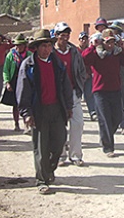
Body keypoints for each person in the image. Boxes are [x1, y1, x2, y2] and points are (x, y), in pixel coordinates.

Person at [16, 29, 73, 194]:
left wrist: (68, 107)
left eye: (49, 45)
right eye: (43, 46)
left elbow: (66, 87)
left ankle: (49, 169)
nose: (46, 49)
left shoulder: (57, 64)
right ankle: (41, 179)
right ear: (36, 48)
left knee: (59, 142)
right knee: (41, 146)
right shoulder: (28, 65)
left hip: (57, 109)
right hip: (39, 110)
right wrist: (26, 113)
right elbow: (23, 91)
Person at [82, 28, 124, 157]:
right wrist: (92, 46)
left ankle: (106, 136)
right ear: (102, 42)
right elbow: (84, 59)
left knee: (117, 117)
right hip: (100, 91)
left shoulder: (117, 53)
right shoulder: (96, 53)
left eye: (112, 42)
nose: (110, 45)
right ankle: (108, 147)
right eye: (107, 42)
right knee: (105, 118)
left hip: (115, 89)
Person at [54, 22, 87, 167]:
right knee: (59, 126)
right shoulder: (51, 53)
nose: (65, 38)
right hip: (56, 95)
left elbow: (81, 70)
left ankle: (75, 155)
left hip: (73, 92)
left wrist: (80, 84)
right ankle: (60, 155)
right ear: (56, 36)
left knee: (78, 123)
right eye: (62, 35)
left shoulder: (74, 52)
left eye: (67, 35)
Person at [2, 33, 31, 132]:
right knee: (16, 104)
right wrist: (7, 82)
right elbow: (6, 69)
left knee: (27, 104)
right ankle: (16, 123)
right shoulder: (11, 55)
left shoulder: (29, 55)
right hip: (14, 81)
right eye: (17, 45)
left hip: (27, 81)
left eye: (21, 45)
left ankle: (27, 124)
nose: (19, 47)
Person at [77, 32, 96, 121]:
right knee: (77, 97)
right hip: (78, 78)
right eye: (82, 39)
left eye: (86, 39)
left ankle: (92, 112)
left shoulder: (89, 50)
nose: (84, 41)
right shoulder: (76, 51)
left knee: (89, 95)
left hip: (88, 76)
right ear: (79, 40)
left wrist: (89, 73)